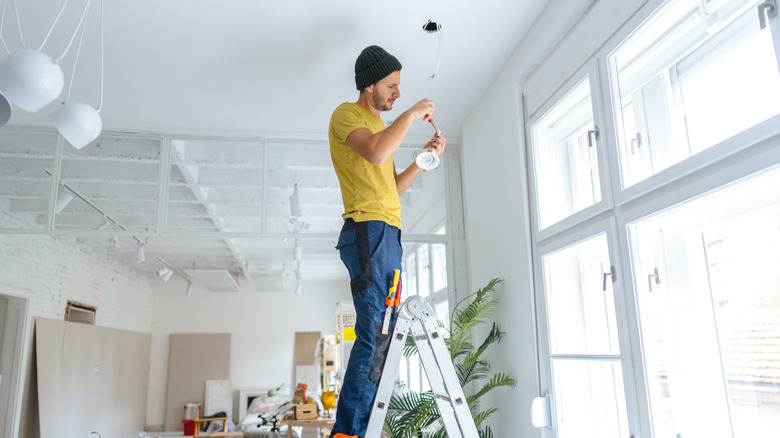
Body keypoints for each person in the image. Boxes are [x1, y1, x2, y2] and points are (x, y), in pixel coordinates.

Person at [327, 45, 445, 438]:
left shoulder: (381, 129)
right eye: (391, 86)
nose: (396, 93)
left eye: (399, 88)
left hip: (388, 231)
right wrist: (412, 113)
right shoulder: (348, 115)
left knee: (386, 332)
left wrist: (421, 159)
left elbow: (390, 187)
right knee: (374, 331)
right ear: (369, 85)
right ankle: (348, 432)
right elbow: (375, 154)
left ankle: (363, 425)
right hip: (367, 229)